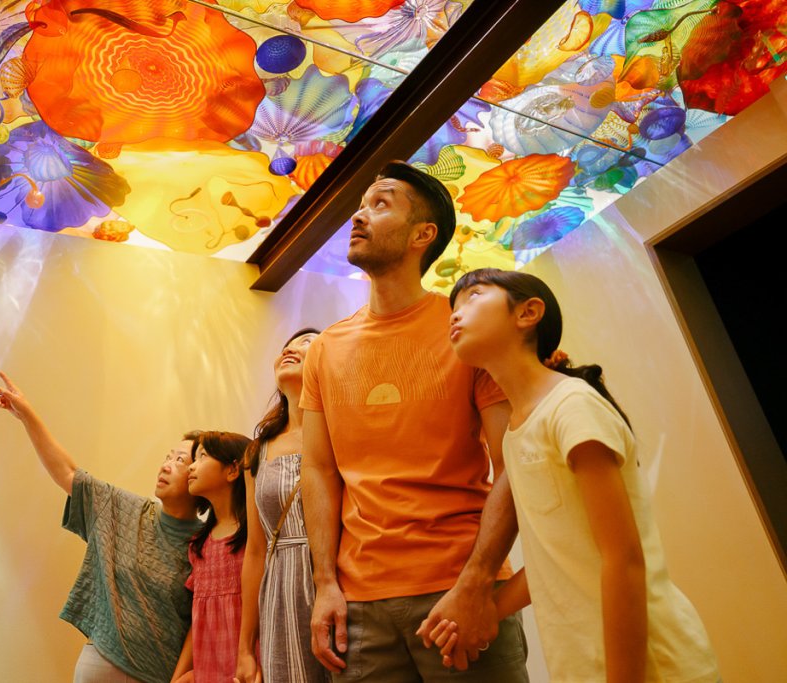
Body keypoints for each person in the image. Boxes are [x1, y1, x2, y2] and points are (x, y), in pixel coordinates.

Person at [429, 268, 720, 682]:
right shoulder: (515, 434)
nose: (456, 314)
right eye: (452, 308)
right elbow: (557, 559)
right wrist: (483, 609)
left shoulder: (571, 406)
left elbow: (623, 559)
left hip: (653, 664)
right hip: (582, 663)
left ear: (528, 313)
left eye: (473, 296)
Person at [300, 161, 530, 682]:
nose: (359, 215)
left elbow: (515, 462)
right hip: (357, 606)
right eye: (362, 204)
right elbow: (318, 470)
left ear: (422, 235)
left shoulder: (468, 333)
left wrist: (477, 583)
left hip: (458, 588)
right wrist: (325, 585)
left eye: (380, 203)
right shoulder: (325, 349)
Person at [0, 372, 202, 683]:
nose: (166, 465)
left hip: (160, 675)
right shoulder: (125, 510)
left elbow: (204, 622)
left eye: (180, 460)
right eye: (166, 457)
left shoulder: (207, 542)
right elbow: (68, 472)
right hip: (100, 665)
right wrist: (26, 415)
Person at [236, 328, 330, 683]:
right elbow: (256, 551)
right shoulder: (257, 451)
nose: (290, 350)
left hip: (335, 580)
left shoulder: (341, 431)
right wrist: (245, 647)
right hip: (280, 591)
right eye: (286, 347)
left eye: (306, 344)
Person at [173, 431, 252, 683]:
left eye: (202, 456)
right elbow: (199, 619)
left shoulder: (254, 539)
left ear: (233, 470)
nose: (191, 467)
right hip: (208, 672)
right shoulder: (199, 545)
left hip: (247, 669)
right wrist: (179, 675)